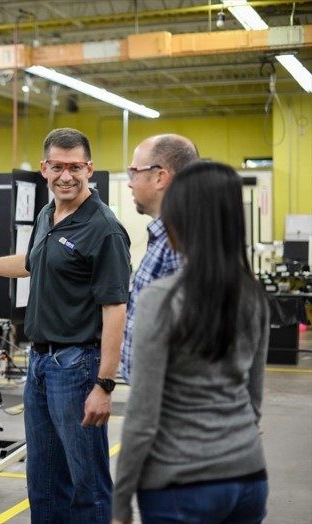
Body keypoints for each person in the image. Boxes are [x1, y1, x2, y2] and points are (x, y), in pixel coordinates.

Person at [0, 128, 131, 523]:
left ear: (90, 169)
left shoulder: (104, 228)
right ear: (44, 168)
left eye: (75, 167)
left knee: (89, 484)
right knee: (44, 481)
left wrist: (105, 385)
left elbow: (116, 309)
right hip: (41, 364)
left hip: (79, 367)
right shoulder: (48, 213)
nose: (66, 175)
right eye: (58, 166)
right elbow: (29, 263)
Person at [112, 161, 269, 524]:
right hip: (248, 476)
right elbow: (253, 398)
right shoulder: (253, 294)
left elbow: (143, 416)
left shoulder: (162, 298)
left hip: (181, 484)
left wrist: (120, 505)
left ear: (181, 217)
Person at [120, 134, 199, 383]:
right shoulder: (165, 238)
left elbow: (192, 339)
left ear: (160, 177)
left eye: (134, 171)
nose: (130, 183)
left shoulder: (181, 244)